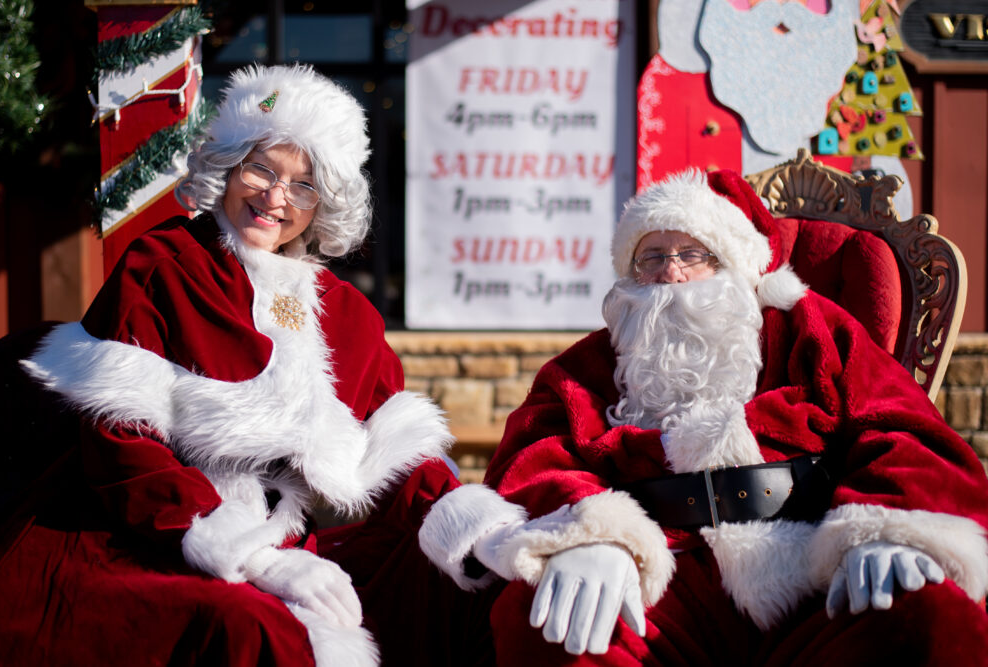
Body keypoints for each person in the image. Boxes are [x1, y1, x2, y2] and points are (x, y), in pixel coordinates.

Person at [0, 63, 477, 666]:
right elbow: (119, 439)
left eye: (303, 186)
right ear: (229, 164)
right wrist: (253, 555)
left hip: (286, 543)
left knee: (435, 604)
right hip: (143, 531)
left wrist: (476, 526)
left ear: (323, 203)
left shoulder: (347, 311)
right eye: (261, 169)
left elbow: (399, 453)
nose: (275, 198)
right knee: (250, 627)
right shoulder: (164, 264)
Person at [418, 169, 988, 665]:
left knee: (929, 614)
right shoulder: (589, 365)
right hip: (662, 586)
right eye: (652, 257)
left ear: (734, 265)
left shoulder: (809, 328)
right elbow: (534, 457)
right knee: (541, 618)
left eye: (692, 254)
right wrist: (590, 534)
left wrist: (887, 525)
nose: (671, 273)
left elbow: (900, 428)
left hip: (814, 576)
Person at [638, 0, 913, 217]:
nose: (782, 13)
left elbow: (891, 205)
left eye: (811, 0)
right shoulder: (672, 84)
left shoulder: (858, 86)